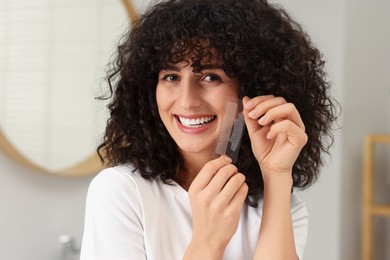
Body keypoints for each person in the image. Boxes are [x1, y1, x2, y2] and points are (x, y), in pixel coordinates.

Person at [80, 0, 338, 259]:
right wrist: (207, 240)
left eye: (210, 77)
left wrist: (277, 176)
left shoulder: (281, 206)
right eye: (171, 77)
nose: (186, 101)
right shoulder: (121, 192)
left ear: (251, 89)